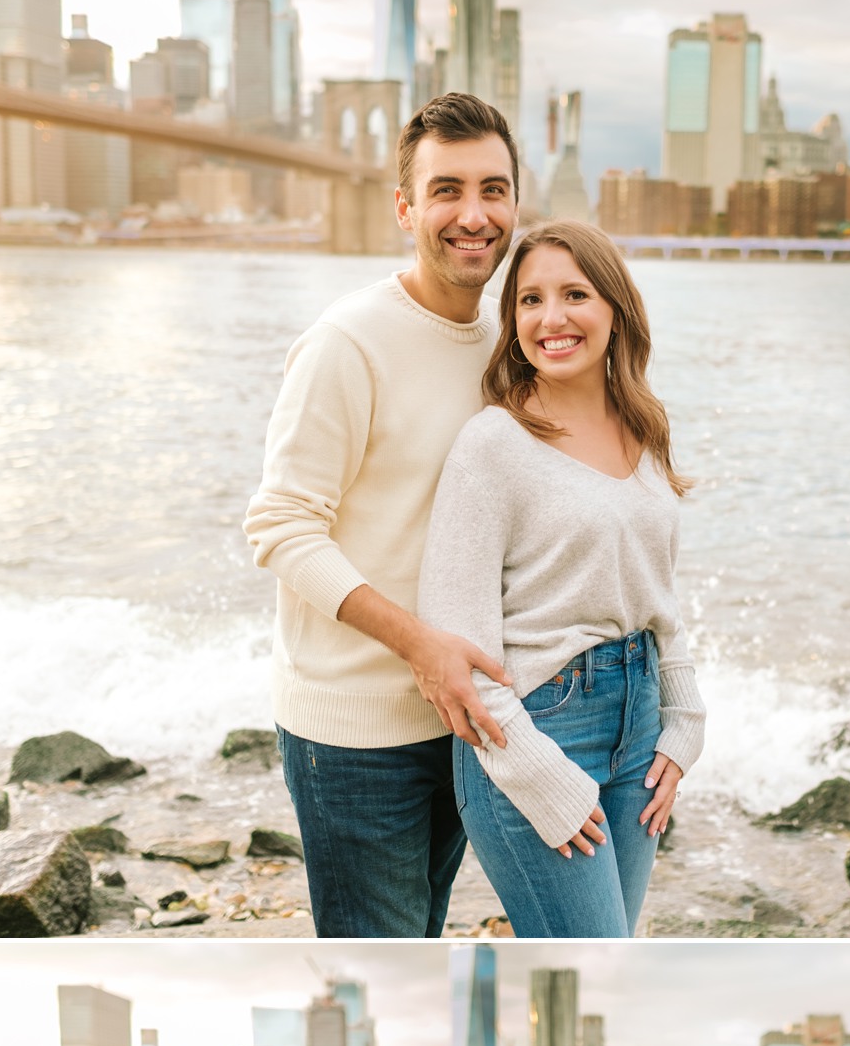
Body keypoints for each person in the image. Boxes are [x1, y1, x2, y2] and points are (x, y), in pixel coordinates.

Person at [244, 93, 523, 938]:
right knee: (383, 977)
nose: (473, 216)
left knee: (421, 952)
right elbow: (281, 525)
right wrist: (420, 645)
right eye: (446, 191)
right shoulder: (348, 342)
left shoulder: (508, 342)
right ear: (404, 208)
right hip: (356, 740)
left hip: (463, 725)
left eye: (493, 189)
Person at [414, 218, 706, 939]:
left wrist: (684, 723)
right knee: (590, 968)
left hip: (639, 730)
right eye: (529, 301)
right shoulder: (493, 445)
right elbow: (461, 647)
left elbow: (657, 599)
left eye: (575, 294)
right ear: (511, 323)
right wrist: (537, 774)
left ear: (614, 308)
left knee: (606, 964)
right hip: (536, 729)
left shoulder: (644, 428)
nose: (552, 319)